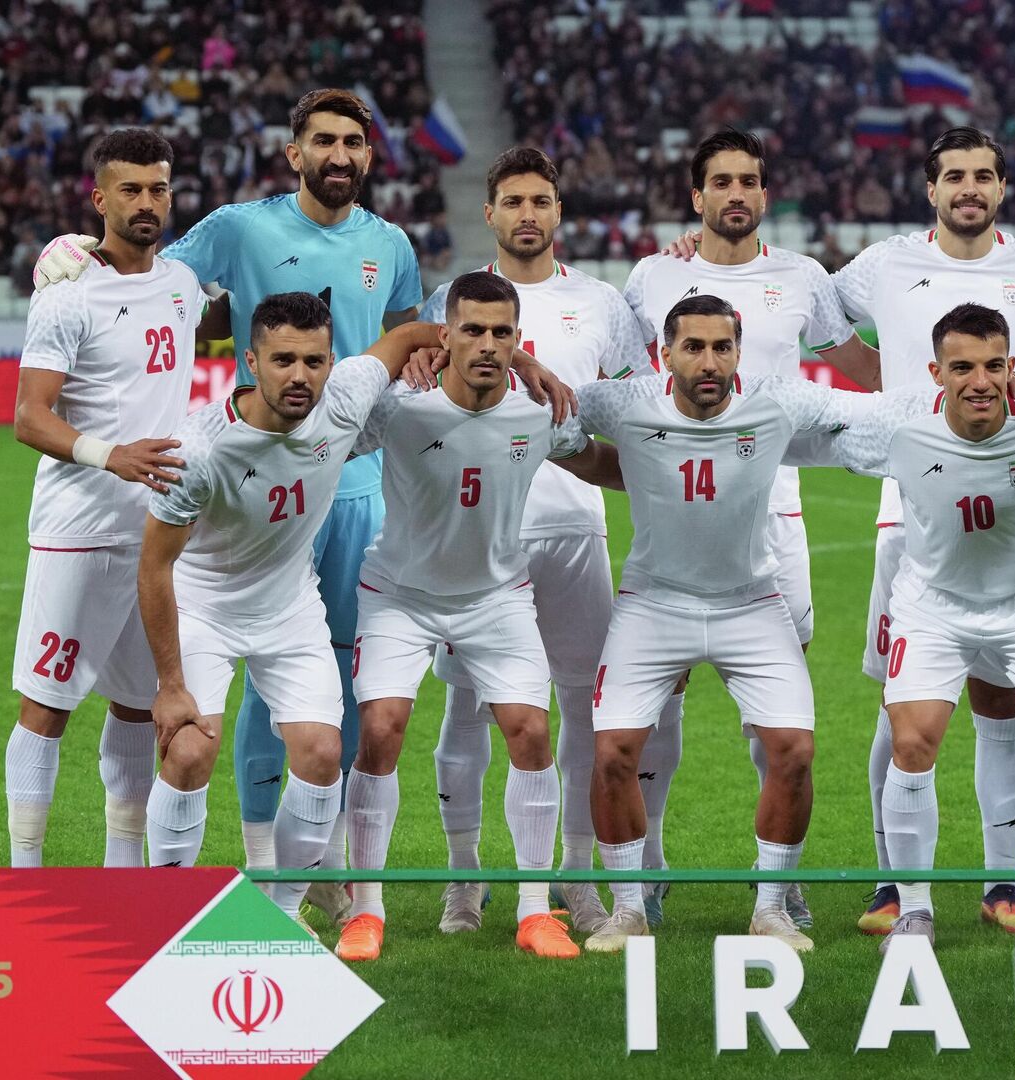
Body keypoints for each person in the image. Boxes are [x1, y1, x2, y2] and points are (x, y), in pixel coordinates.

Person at [34, 90, 425, 922]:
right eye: (324, 140)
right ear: (294, 152)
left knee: (334, 706)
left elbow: (407, 334)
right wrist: (74, 251)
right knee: (218, 726)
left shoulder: (390, 245)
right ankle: (243, 868)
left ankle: (314, 882)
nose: (340, 155)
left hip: (348, 482)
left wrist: (499, 356)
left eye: (354, 142)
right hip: (247, 489)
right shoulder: (238, 230)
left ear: (369, 153)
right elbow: (149, 270)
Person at [135, 292, 566, 921]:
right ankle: (165, 910)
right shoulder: (200, 449)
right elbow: (154, 566)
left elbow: (419, 334)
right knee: (190, 749)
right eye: (282, 360)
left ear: (332, 363)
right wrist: (170, 685)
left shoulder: (343, 400)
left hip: (290, 610)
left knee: (322, 754)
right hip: (206, 609)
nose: (299, 376)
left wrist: (519, 361)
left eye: (314, 362)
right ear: (250, 361)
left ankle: (281, 917)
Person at [620, 128, 880, 929]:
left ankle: (779, 881)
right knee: (658, 697)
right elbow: (620, 376)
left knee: (775, 711)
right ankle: (648, 865)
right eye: (722, 181)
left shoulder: (803, 276)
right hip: (674, 506)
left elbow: (865, 367)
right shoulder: (652, 276)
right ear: (696, 196)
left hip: (775, 511)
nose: (737, 193)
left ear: (765, 194)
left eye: (750, 181)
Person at [816, 304, 1015, 957]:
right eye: (962, 367)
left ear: (1013, 366)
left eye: (993, 365)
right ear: (936, 373)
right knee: (912, 741)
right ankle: (914, 911)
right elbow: (807, 435)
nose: (980, 381)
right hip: (934, 607)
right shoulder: (900, 426)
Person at [567, 295, 865, 955]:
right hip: (653, 604)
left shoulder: (775, 402)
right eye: (694, 347)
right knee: (612, 754)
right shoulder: (624, 403)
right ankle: (628, 909)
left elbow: (867, 412)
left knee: (794, 752)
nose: (709, 362)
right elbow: (550, 407)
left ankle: (771, 909)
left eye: (722, 348)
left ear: (738, 352)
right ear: (665, 354)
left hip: (751, 604)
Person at [334, 271, 618, 963]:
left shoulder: (539, 414)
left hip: (496, 597)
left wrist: (680, 470)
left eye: (501, 333)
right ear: (446, 335)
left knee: (531, 732)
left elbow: (597, 463)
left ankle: (534, 909)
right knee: (381, 730)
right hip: (400, 594)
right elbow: (325, 429)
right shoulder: (401, 410)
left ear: (518, 340)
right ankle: (365, 909)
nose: (487, 344)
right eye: (473, 330)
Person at [416, 148, 647, 937]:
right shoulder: (451, 299)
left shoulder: (602, 303)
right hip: (481, 535)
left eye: (540, 200)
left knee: (582, 706)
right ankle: (464, 879)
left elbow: (635, 408)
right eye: (512, 201)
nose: (527, 214)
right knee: (467, 706)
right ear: (489, 213)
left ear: (558, 211)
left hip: (576, 526)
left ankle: (575, 878)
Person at [3, 128, 206, 870]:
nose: (147, 202)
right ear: (100, 199)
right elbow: (29, 416)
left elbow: (228, 319)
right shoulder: (67, 295)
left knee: (136, 704)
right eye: (131, 189)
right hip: (77, 530)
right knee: (46, 704)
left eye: (158, 188)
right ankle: (26, 872)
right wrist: (109, 455)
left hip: (156, 536)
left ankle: (123, 873)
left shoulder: (183, 284)